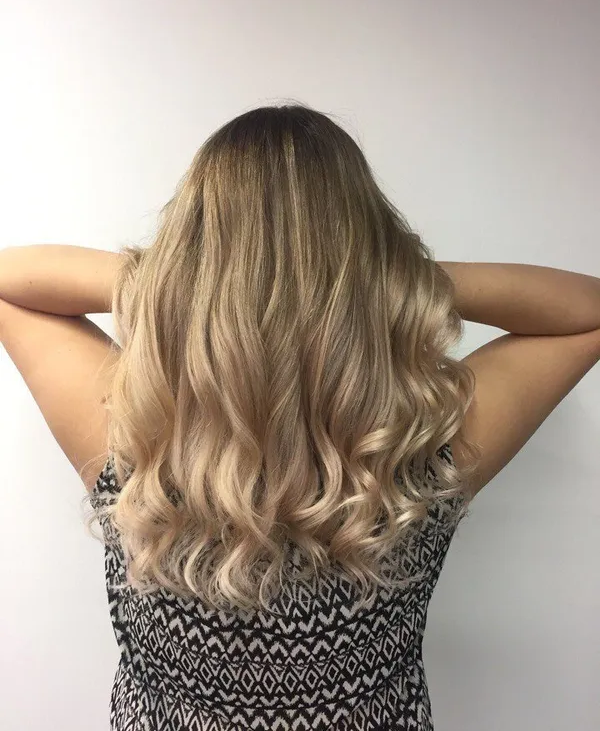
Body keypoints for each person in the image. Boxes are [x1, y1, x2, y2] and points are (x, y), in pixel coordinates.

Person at [0, 104, 599, 731]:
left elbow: (12, 283)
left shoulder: (135, 448)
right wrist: (392, 281)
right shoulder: (419, 457)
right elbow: (587, 312)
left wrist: (180, 279)